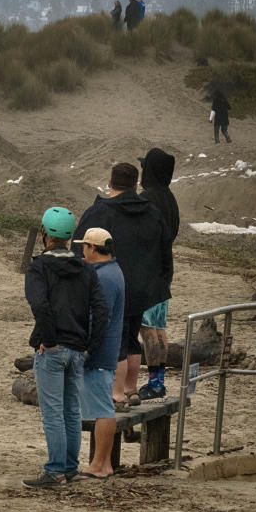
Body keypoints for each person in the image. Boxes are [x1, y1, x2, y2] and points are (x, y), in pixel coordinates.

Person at [72, 163, 171, 411]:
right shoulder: (152, 212)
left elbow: (79, 250)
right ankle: (131, 389)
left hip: (110, 283)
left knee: (116, 341)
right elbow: (165, 251)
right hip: (143, 288)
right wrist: (160, 282)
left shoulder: (99, 212)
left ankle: (116, 395)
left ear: (110, 183)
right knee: (132, 338)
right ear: (136, 185)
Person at [23, 207, 108, 488]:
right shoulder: (85, 268)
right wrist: (90, 346)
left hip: (53, 349)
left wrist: (48, 339)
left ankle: (55, 470)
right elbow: (101, 309)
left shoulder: (39, 268)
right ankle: (70, 468)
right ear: (71, 237)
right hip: (77, 349)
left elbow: (40, 304)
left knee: (53, 413)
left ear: (45, 234)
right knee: (72, 411)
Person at [73, 227, 125, 481]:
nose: (82, 250)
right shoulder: (111, 271)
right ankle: (100, 463)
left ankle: (100, 465)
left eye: (84, 246)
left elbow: (97, 318)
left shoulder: (104, 278)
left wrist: (86, 349)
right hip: (106, 350)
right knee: (102, 407)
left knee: (103, 408)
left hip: (100, 353)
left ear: (93, 248)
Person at [137, 148, 180, 400]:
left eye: (145, 167)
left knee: (148, 328)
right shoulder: (169, 198)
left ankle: (154, 384)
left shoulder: (148, 198)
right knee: (158, 327)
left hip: (149, 271)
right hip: (165, 268)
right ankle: (158, 380)